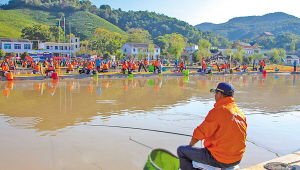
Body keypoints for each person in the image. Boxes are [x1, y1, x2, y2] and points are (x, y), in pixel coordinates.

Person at [177, 82, 247, 170]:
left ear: (220, 94)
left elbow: (200, 132)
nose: (214, 96)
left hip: (221, 159)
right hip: (237, 158)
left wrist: (190, 146)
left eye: (215, 93)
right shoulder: (240, 112)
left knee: (182, 150)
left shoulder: (219, 111)